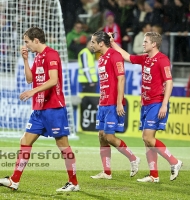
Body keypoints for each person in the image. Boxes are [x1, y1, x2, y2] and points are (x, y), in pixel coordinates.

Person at [0, 27, 79, 192]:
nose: (26, 45)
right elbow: (30, 79)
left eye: (27, 42)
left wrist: (33, 91)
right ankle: (14, 180)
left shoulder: (51, 54)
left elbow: (53, 80)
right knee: (25, 141)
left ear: (36, 40)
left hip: (54, 108)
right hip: (39, 109)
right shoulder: (38, 57)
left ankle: (74, 183)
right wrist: (25, 60)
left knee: (63, 146)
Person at [108, 31, 182, 182]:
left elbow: (169, 82)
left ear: (154, 44)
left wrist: (164, 104)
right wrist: (112, 43)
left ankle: (174, 162)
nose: (143, 44)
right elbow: (127, 56)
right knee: (147, 140)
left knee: (148, 138)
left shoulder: (162, 60)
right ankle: (154, 175)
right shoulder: (145, 59)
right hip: (146, 104)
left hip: (157, 103)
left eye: (146, 41)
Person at [90, 31, 140, 179]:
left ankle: (133, 158)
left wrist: (119, 102)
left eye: (93, 42)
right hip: (103, 103)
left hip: (113, 103)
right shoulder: (102, 58)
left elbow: (121, 79)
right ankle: (106, 172)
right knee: (101, 135)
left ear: (101, 43)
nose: (91, 45)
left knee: (109, 137)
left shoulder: (115, 56)